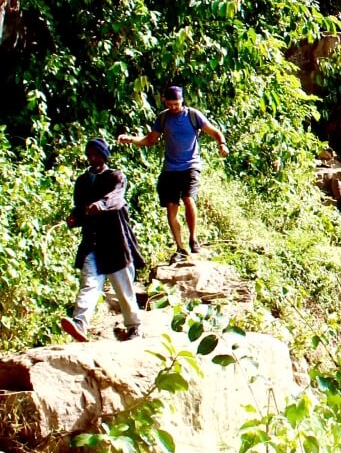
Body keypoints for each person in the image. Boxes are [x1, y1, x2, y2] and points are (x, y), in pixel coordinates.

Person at [117, 86, 228, 263]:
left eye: (176, 104)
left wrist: (222, 144)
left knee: (188, 198)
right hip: (170, 169)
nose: (173, 107)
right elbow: (150, 140)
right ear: (165, 102)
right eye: (170, 104)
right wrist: (131, 139)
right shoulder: (163, 118)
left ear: (182, 101)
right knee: (171, 207)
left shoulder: (193, 115)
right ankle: (180, 247)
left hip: (190, 165)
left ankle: (193, 238)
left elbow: (214, 132)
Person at [60, 138, 146, 342]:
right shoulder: (82, 181)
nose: (93, 158)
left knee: (123, 287)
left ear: (104, 156)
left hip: (115, 241)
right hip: (92, 242)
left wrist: (100, 204)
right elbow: (80, 208)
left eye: (97, 155)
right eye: (90, 155)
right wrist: (75, 218)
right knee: (89, 283)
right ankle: (80, 323)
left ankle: (134, 327)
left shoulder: (116, 177)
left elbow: (115, 199)